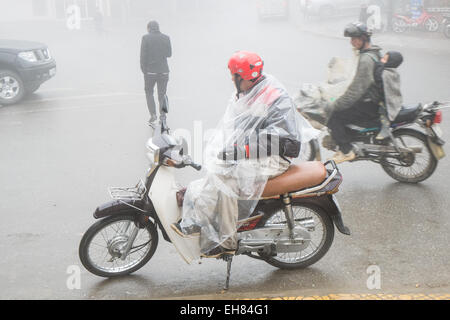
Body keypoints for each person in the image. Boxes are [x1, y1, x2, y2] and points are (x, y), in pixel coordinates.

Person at [171, 51, 315, 258]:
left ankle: (226, 241)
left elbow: (279, 138)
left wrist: (240, 151)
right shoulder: (249, 92)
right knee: (220, 169)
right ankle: (199, 219)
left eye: (233, 76)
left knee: (227, 180)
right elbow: (240, 128)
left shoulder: (274, 97)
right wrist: (225, 148)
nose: (231, 80)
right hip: (256, 153)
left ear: (244, 77)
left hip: (275, 157)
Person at [326, 22, 383, 164]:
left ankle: (346, 150)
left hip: (369, 104)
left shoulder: (366, 59)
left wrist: (336, 104)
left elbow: (356, 90)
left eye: (355, 38)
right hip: (372, 100)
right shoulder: (373, 53)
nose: (352, 42)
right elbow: (357, 79)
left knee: (333, 115)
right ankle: (351, 140)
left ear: (364, 38)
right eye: (351, 38)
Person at [140, 20, 172, 127]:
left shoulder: (145, 38)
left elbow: (143, 56)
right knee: (162, 95)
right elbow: (169, 54)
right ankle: (163, 117)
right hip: (163, 71)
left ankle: (153, 114)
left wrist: (144, 70)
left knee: (149, 92)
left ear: (149, 28)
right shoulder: (166, 38)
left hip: (150, 72)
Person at [373, 51, 404, 140]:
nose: (381, 60)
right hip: (394, 99)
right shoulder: (392, 71)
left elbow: (378, 77)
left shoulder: (386, 73)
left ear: (391, 62)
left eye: (384, 59)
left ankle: (385, 128)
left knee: (383, 111)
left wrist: (378, 65)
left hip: (388, 101)